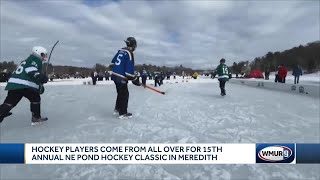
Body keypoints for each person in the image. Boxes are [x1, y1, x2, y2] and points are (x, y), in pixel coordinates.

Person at [0, 46, 49, 125]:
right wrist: (40, 76)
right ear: (39, 53)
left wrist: (40, 85)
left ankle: (1, 112)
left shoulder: (26, 60)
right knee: (35, 98)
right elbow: (30, 69)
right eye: (44, 55)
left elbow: (29, 75)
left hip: (14, 84)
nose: (45, 57)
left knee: (10, 102)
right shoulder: (35, 59)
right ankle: (36, 118)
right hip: (24, 84)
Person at [110, 37, 141, 119]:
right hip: (121, 77)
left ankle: (117, 109)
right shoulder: (129, 53)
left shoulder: (120, 51)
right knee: (124, 94)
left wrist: (120, 68)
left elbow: (113, 61)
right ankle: (122, 113)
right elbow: (128, 73)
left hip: (114, 75)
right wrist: (135, 79)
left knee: (120, 93)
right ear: (133, 45)